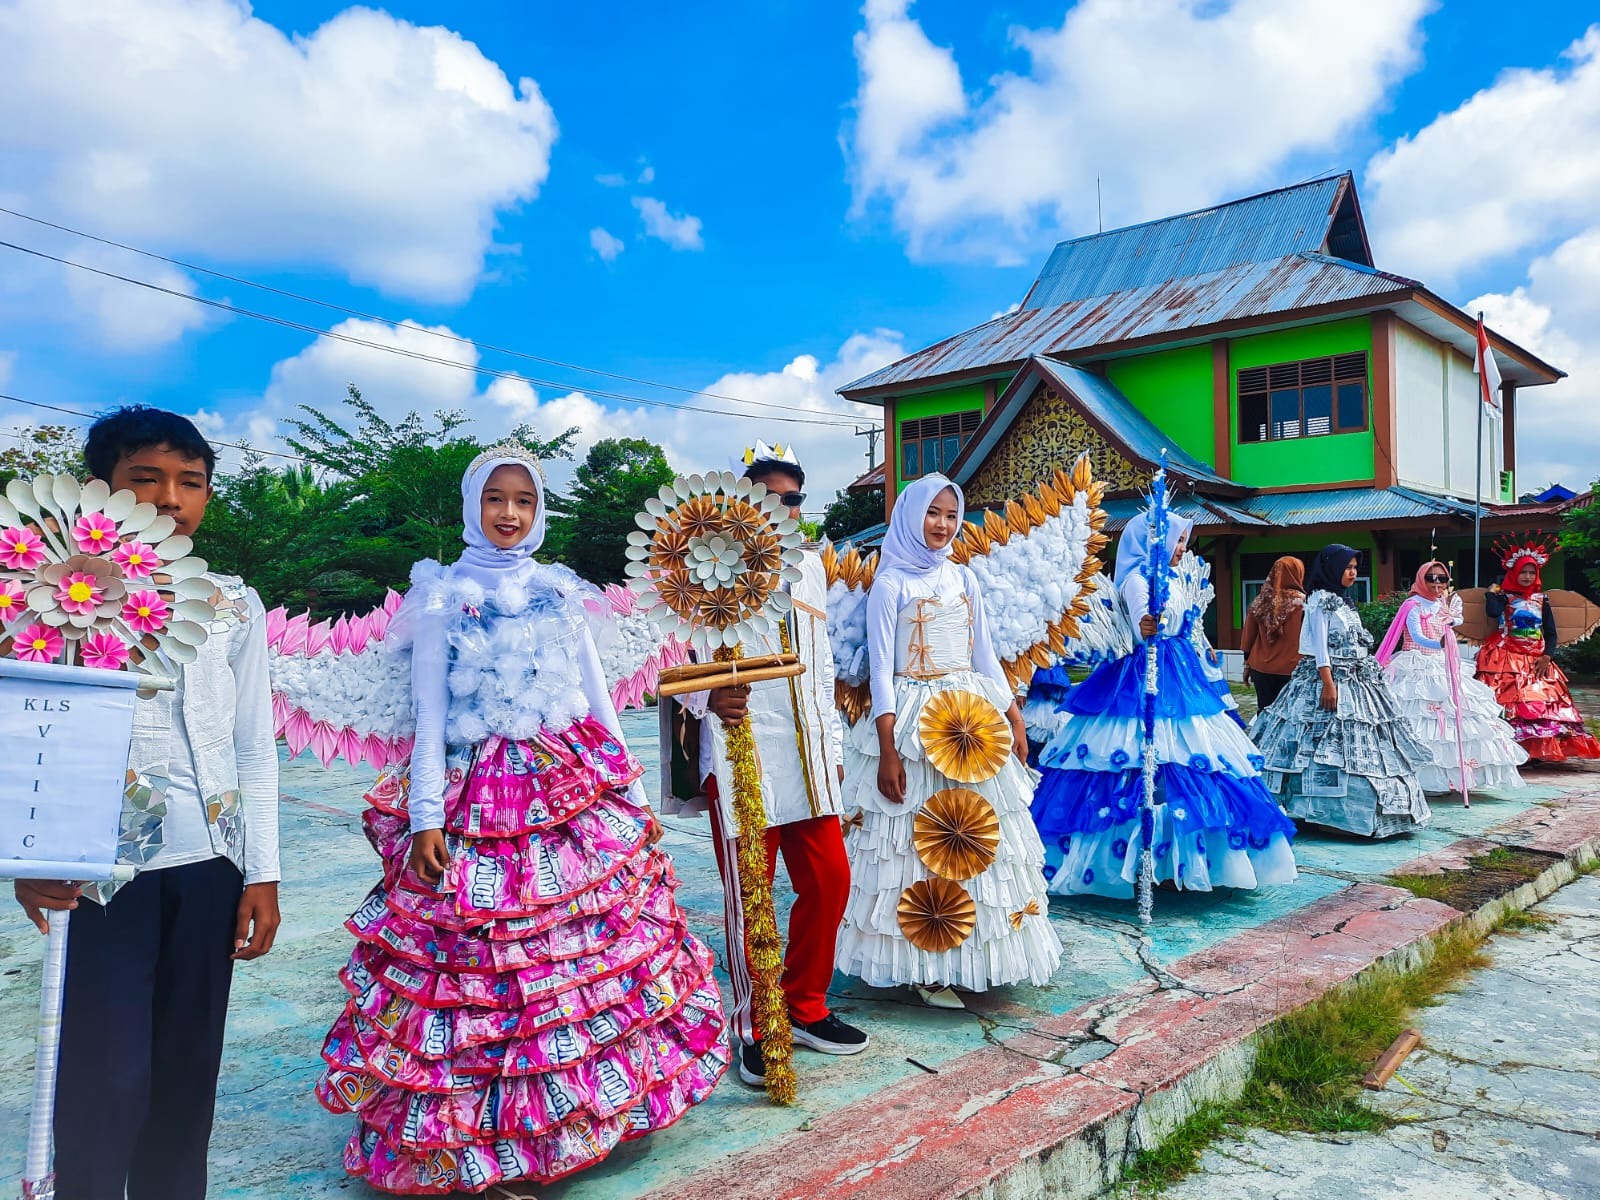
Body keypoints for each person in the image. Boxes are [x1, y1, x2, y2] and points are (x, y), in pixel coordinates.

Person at [316, 445, 727, 1194]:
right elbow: (430, 719)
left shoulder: (560, 590)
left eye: (525, 502)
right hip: (479, 793)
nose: (510, 514)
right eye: (496, 499)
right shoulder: (442, 596)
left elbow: (599, 699)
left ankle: (576, 1122)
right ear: (472, 505)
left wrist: (631, 800)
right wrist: (427, 816)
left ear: (539, 513)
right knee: (483, 973)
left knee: (582, 956)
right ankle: (478, 1141)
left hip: (568, 780)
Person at [12, 406, 281, 1200]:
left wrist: (259, 870)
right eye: (146, 478)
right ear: (101, 490)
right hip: (96, 874)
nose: (170, 497)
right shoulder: (47, 598)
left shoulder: (235, 604)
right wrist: (27, 863)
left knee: (186, 1074)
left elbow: (252, 742)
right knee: (106, 1075)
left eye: (190, 482)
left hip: (210, 868)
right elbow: (20, 732)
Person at [660, 442, 867, 1087]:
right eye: (769, 497)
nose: (783, 508)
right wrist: (708, 697)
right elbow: (675, 659)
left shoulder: (812, 571)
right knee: (750, 899)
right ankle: (756, 1024)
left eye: (794, 499)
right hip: (742, 754)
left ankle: (805, 1005)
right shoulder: (708, 568)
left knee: (831, 882)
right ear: (745, 502)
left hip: (810, 761)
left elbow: (828, 662)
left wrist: (837, 748)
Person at [835, 474, 1061, 1008]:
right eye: (932, 514)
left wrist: (1014, 716)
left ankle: (971, 957)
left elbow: (985, 653)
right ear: (912, 516)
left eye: (951, 515)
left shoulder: (964, 578)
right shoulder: (890, 584)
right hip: (914, 719)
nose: (942, 525)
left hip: (969, 719)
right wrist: (888, 750)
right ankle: (925, 968)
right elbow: (883, 673)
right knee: (911, 845)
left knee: (976, 838)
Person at [1032, 507, 1297, 897]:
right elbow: (1140, 621)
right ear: (1154, 543)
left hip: (1181, 673)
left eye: (1184, 543)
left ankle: (1185, 858)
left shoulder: (1172, 579)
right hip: (1144, 673)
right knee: (1136, 757)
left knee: (1189, 755)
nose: (1181, 550)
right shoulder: (1138, 580)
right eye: (1177, 542)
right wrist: (1146, 624)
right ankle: (1130, 861)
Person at [1250, 545, 1431, 838]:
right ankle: (1318, 813)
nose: (1353, 573)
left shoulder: (1342, 601)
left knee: (1363, 742)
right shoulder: (1321, 601)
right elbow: (1319, 646)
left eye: (1355, 568)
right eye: (1347, 567)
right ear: (1332, 568)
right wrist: (1328, 682)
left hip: (1357, 679)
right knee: (1317, 744)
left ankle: (1359, 814)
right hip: (1329, 678)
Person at [1376, 562, 1527, 795]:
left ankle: (1453, 778)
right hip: (1415, 665)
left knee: (1457, 719)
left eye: (1442, 579)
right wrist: (1439, 643)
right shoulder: (1412, 605)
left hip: (1443, 663)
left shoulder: (1443, 605)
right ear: (1420, 579)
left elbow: (1455, 622)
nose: (1437, 583)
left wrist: (1451, 622)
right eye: (1431, 578)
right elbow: (1416, 635)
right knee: (1420, 718)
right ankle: (1419, 778)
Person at [1475, 543, 1600, 763]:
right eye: (1523, 571)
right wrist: (1491, 594)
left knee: (1538, 704)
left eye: (1532, 572)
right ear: (1514, 572)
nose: (1527, 576)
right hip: (1505, 658)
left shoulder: (1542, 600)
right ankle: (1509, 750)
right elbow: (1493, 612)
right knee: (1509, 704)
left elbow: (1551, 633)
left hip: (1536, 660)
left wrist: (1547, 657)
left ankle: (1535, 751)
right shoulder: (1505, 597)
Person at [1241, 556, 1307, 711]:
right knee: (1290, 719)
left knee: (1264, 714)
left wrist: (1246, 665)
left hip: (1262, 669)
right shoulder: (1305, 604)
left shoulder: (1260, 602)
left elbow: (1248, 639)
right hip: (1294, 670)